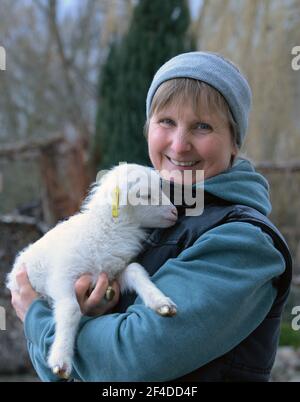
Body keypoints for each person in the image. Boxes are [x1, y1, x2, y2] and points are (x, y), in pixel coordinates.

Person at [11, 51, 292, 382]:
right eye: (166, 122)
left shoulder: (244, 242)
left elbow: (131, 360)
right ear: (148, 129)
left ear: (234, 143)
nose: (179, 144)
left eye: (203, 126)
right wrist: (86, 315)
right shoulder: (140, 218)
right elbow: (58, 372)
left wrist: (37, 319)